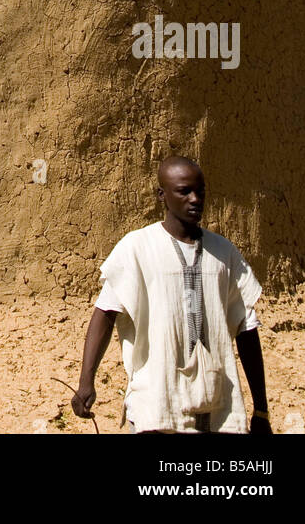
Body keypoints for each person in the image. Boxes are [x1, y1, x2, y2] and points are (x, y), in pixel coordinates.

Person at [71, 156, 272, 434]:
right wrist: (86, 381)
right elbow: (105, 314)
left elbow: (246, 329)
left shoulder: (225, 253)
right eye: (184, 191)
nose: (195, 199)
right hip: (157, 403)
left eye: (200, 191)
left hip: (218, 406)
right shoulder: (137, 248)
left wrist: (261, 409)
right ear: (162, 195)